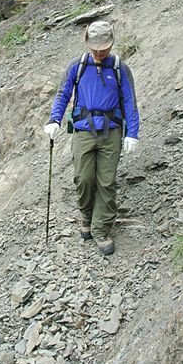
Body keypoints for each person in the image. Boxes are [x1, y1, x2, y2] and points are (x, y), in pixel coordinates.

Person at [44, 20, 139, 255]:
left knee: (107, 182)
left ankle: (101, 229)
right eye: (95, 48)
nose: (99, 52)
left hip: (111, 132)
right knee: (83, 179)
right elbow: (63, 94)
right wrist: (54, 119)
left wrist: (132, 133)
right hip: (83, 131)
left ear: (111, 44)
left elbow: (129, 101)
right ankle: (87, 217)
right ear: (88, 44)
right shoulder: (77, 66)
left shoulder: (119, 68)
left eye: (103, 48)